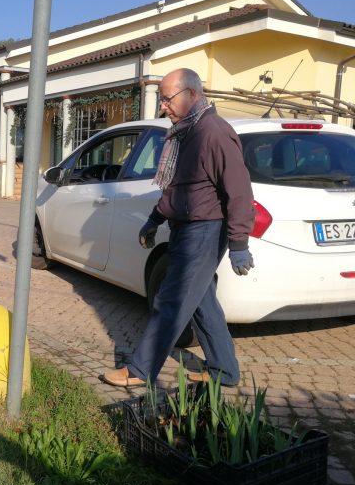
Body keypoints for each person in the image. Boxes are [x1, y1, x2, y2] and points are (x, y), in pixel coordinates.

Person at [101, 68, 255, 389]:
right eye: (161, 99)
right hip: (186, 227)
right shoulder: (186, 132)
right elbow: (179, 187)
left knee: (171, 300)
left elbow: (239, 190)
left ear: (192, 95)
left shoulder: (213, 132)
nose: (162, 106)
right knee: (200, 301)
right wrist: (155, 219)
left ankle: (139, 371)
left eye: (167, 98)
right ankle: (224, 371)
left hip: (205, 230)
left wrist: (239, 242)